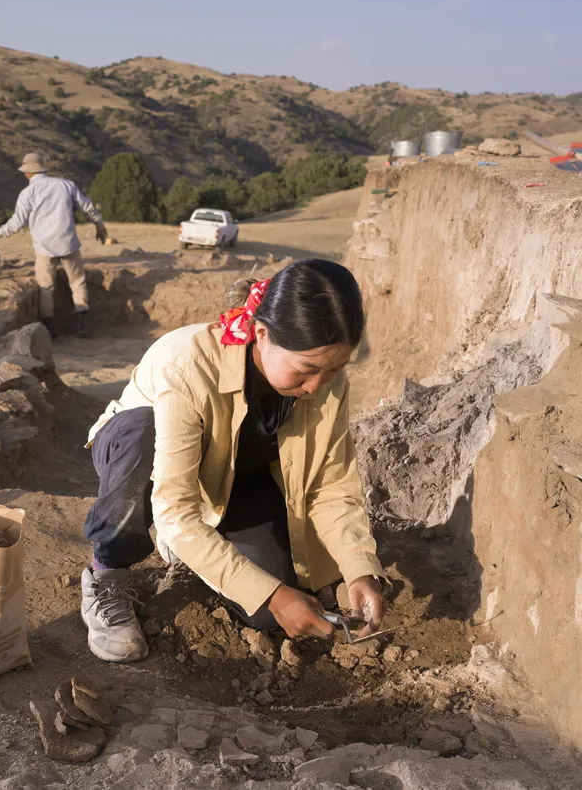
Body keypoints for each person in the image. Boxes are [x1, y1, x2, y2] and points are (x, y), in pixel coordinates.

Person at [78, 259, 386, 663]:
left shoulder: (327, 377)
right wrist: (274, 595)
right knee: (143, 435)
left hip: (234, 471)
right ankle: (107, 573)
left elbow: (331, 484)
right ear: (262, 334)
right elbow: (174, 509)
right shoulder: (187, 366)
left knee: (264, 611)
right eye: (306, 371)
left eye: (333, 371)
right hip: (136, 450)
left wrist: (359, 568)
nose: (316, 386)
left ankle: (193, 542)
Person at [0, 153, 108, 337]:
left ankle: (48, 328)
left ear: (28, 173)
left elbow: (17, 222)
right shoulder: (65, 184)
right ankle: (82, 322)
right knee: (77, 282)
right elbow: (87, 206)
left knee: (46, 287)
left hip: (44, 247)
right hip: (68, 242)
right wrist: (99, 225)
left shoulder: (28, 193)